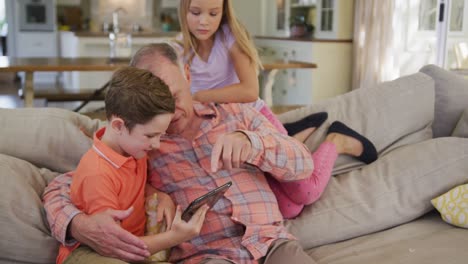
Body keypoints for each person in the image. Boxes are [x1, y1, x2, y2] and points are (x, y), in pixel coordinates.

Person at [43, 43, 376, 263]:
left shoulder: (237, 112)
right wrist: (78, 224)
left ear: (187, 74)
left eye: (173, 95)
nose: (170, 113)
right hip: (207, 256)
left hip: (271, 244)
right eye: (157, 105)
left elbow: (302, 165)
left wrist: (252, 142)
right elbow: (65, 184)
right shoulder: (140, 140)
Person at [175, 0, 378, 218]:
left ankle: (336, 140)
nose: (204, 21)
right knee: (288, 209)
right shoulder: (178, 50)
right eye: (195, 13)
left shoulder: (229, 37)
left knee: (306, 191)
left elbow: (250, 91)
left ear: (224, 12)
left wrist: (198, 97)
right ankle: (293, 134)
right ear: (183, 11)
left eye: (213, 14)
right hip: (229, 132)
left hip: (255, 120)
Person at [53, 66, 208, 264]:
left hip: (131, 248)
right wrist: (175, 238)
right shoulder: (97, 174)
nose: (156, 145)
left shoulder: (134, 149)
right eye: (151, 135)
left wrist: (158, 195)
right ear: (118, 126)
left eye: (161, 135)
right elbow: (114, 245)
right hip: (92, 253)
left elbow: (132, 188)